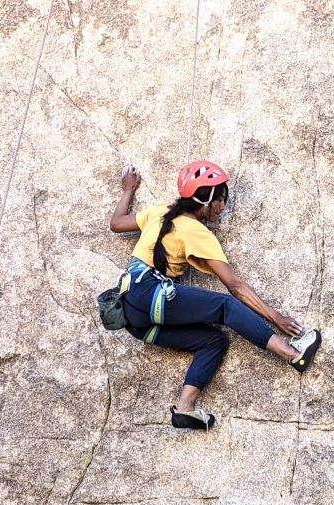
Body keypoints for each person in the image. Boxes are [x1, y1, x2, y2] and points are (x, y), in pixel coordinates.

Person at [109, 160, 321, 430]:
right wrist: (275, 317)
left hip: (133, 315)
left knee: (213, 341)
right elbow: (235, 287)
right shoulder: (197, 232)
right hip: (149, 293)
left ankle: (185, 407)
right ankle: (292, 353)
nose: (223, 207)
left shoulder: (161, 212)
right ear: (206, 198)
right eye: (221, 199)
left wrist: (128, 189)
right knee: (224, 305)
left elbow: (116, 223)